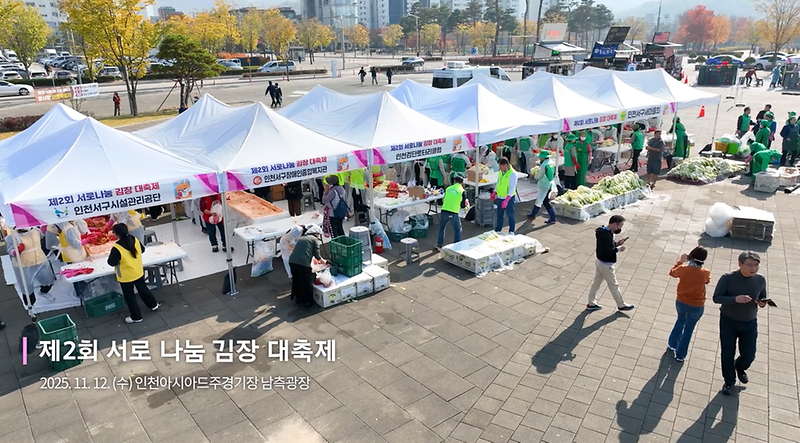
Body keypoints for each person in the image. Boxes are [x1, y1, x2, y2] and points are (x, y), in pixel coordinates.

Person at [713, 251, 768, 396]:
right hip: (728, 321)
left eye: (756, 265)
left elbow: (762, 296)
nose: (753, 268)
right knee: (727, 353)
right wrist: (735, 299)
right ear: (740, 264)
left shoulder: (760, 280)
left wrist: (763, 302)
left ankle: (740, 366)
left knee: (749, 355)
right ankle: (729, 382)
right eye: (749, 265)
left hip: (749, 322)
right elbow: (716, 298)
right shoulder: (727, 278)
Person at [107, 223, 159, 324]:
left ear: (117, 234)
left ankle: (136, 316)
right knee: (143, 290)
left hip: (126, 276)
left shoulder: (117, 248)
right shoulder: (134, 240)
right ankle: (153, 305)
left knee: (130, 297)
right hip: (138, 271)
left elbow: (111, 262)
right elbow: (142, 250)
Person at [668, 247, 711, 362]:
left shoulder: (683, 269)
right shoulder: (705, 272)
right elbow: (707, 280)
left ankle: (672, 344)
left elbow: (672, 273)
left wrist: (680, 261)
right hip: (697, 305)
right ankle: (680, 355)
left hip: (681, 301)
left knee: (680, 320)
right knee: (689, 329)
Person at [586, 215, 635, 312]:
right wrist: (618, 249)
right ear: (614, 224)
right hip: (606, 264)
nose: (620, 228)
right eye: (620, 225)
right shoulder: (606, 235)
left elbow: (607, 246)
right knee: (614, 285)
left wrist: (616, 244)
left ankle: (591, 303)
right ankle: (621, 305)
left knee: (596, 283)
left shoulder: (604, 232)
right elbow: (606, 251)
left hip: (600, 262)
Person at [8, 227, 55, 306]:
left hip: (40, 260)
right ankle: (30, 306)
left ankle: (44, 292)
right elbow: (10, 249)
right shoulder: (13, 236)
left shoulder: (35, 231)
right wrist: (16, 252)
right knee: (26, 287)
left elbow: (41, 235)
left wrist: (44, 228)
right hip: (24, 264)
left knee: (48, 280)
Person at [289, 224, 324, 307]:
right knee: (307, 281)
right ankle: (307, 301)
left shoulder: (302, 238)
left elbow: (304, 251)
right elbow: (317, 255)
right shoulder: (314, 239)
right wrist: (323, 261)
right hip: (302, 263)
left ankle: (297, 297)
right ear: (316, 233)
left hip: (292, 261)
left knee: (296, 279)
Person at [436, 175, 467, 249]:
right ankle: (456, 246)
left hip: (444, 210)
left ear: (454, 181)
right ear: (462, 183)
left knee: (442, 228)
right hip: (453, 212)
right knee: (458, 229)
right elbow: (463, 205)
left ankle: (439, 245)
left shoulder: (448, 188)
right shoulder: (462, 191)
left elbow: (444, 199)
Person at [527, 150, 557, 224]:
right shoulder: (551, 163)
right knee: (544, 200)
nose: (540, 158)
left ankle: (551, 217)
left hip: (543, 184)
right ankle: (534, 214)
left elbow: (539, 176)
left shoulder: (544, 165)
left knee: (541, 200)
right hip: (549, 184)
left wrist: (534, 175)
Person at [491, 157, 517, 235]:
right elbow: (498, 183)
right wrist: (494, 192)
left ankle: (511, 231)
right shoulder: (501, 172)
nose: (500, 168)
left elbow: (512, 188)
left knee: (510, 214)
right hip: (500, 197)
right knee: (499, 215)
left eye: (501, 166)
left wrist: (507, 200)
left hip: (509, 198)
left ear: (506, 165)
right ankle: (498, 229)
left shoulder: (512, 174)